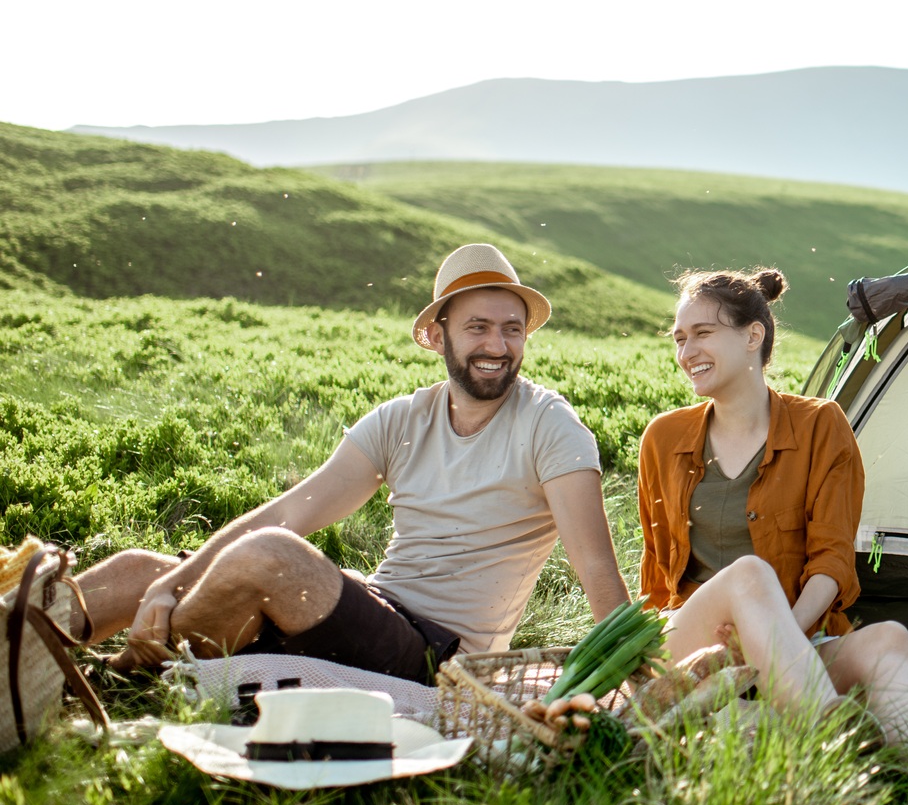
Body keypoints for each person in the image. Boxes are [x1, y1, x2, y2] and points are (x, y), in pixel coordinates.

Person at [74, 244, 629, 681]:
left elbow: (597, 569)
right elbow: (289, 513)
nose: (498, 345)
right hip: (371, 608)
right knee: (138, 570)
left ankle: (128, 674)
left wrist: (634, 670)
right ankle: (26, 647)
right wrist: (170, 585)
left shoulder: (550, 425)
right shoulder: (401, 419)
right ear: (437, 337)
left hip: (440, 656)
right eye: (477, 327)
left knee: (270, 558)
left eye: (512, 328)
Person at [613, 267, 908, 765]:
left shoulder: (820, 426)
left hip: (795, 643)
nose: (687, 353)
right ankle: (834, 731)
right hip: (695, 646)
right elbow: (657, 575)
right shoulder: (663, 439)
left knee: (889, 640)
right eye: (680, 339)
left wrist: (777, 639)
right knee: (748, 576)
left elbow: (832, 562)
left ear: (753, 336)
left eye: (703, 334)